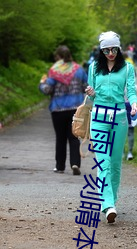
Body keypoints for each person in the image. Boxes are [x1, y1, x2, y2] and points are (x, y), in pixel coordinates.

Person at [85, 31, 137, 223]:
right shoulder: (93, 68)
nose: (110, 53)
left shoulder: (127, 68)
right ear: (101, 50)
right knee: (103, 162)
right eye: (106, 50)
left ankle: (111, 201)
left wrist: (133, 104)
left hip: (120, 119)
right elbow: (91, 97)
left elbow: (131, 90)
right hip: (98, 118)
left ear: (119, 48)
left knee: (115, 163)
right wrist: (90, 92)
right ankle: (107, 204)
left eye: (114, 49)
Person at [39, 45, 88, 175]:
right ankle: (75, 163)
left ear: (58, 57)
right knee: (73, 137)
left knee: (60, 138)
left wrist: (42, 83)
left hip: (58, 109)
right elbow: (86, 87)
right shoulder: (79, 70)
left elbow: (47, 90)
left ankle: (60, 166)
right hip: (75, 109)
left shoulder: (54, 71)